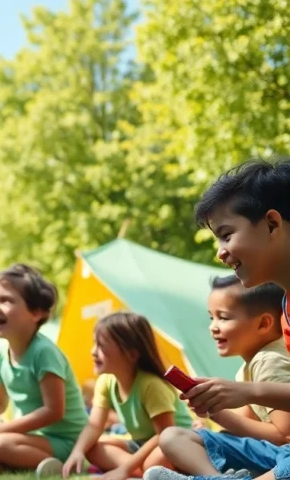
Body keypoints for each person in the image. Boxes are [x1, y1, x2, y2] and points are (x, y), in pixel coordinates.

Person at [142, 158, 290, 480]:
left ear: (272, 224)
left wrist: (248, 392)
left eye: (226, 235)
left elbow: (280, 432)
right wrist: (220, 404)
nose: (220, 252)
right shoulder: (287, 307)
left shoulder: (268, 360)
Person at [0, 263, 88, 479]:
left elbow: (54, 411)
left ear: (36, 313)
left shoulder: (44, 352)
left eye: (6, 300)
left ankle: (54, 464)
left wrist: (3, 429)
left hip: (64, 441)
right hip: (25, 436)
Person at [145, 276, 290, 480]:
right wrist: (211, 410)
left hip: (281, 454)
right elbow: (244, 422)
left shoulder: (270, 361)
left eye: (223, 317)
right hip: (267, 453)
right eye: (211, 317)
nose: (213, 326)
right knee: (173, 437)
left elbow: (282, 435)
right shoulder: (249, 367)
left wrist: (217, 413)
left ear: (264, 323)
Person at [61, 312, 192, 480]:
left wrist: (124, 469)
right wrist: (77, 452)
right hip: (141, 445)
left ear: (132, 354)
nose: (93, 352)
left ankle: (138, 471)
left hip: (175, 443)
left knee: (156, 461)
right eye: (95, 344)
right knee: (92, 447)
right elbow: (94, 426)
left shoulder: (151, 385)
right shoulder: (106, 382)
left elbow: (164, 435)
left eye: (101, 346)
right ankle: (142, 473)